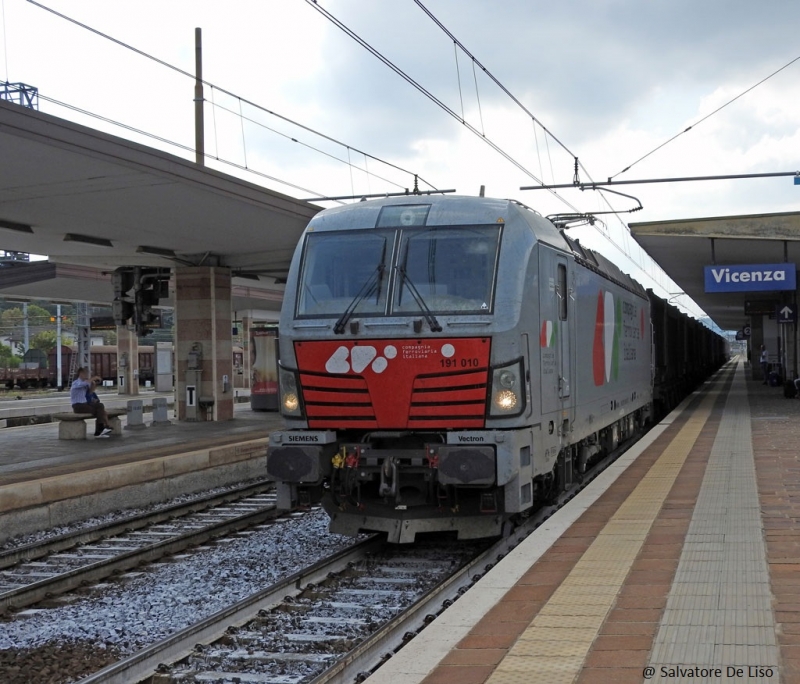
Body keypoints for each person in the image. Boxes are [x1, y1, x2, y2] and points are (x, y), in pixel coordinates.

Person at [71, 368, 112, 437]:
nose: (87, 375)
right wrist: (93, 378)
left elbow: (90, 392)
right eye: (85, 374)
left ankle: (100, 429)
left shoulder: (85, 383)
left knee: (100, 406)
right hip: (78, 406)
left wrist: (94, 384)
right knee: (99, 411)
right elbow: (82, 384)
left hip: (85, 404)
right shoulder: (76, 383)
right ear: (81, 373)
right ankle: (100, 429)